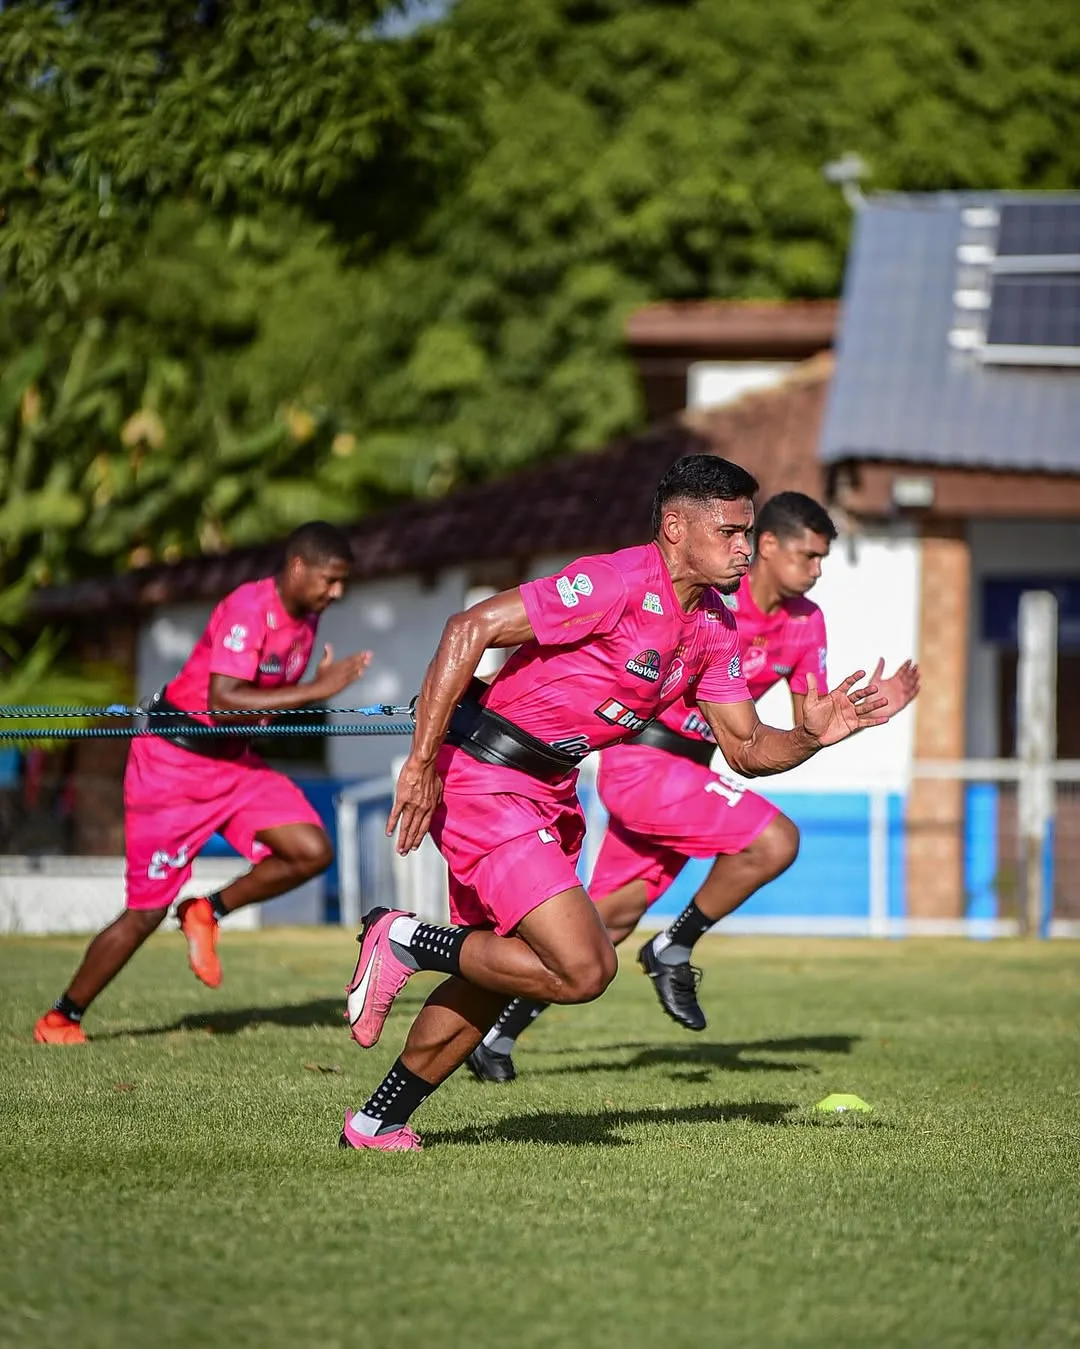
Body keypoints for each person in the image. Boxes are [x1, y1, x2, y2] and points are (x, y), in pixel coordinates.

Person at [338, 457, 890, 1152]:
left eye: (748, 533)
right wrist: (420, 766)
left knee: (495, 972)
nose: (744, 548)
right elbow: (467, 628)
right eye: (729, 532)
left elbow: (747, 747)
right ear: (674, 527)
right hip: (488, 780)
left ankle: (377, 1120)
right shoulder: (615, 581)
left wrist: (810, 735)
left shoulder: (716, 625)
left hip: (553, 791)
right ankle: (403, 938)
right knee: (586, 967)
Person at [466, 492, 920, 1081]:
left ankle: (497, 1037)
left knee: (606, 923)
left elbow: (804, 727)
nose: (816, 571)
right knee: (775, 840)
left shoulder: (808, 624)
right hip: (642, 764)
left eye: (822, 561)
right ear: (769, 546)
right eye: (808, 556)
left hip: (696, 769)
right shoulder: (710, 605)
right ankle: (674, 946)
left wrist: (855, 717)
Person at [34, 521, 371, 1045]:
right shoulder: (248, 608)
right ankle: (63, 1016)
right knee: (144, 913)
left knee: (311, 850)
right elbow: (224, 700)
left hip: (234, 764)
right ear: (298, 566)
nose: (337, 593)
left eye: (342, 583)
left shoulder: (305, 622)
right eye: (330, 580)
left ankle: (205, 910)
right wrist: (315, 691)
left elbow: (251, 709)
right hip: (172, 767)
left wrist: (310, 688)